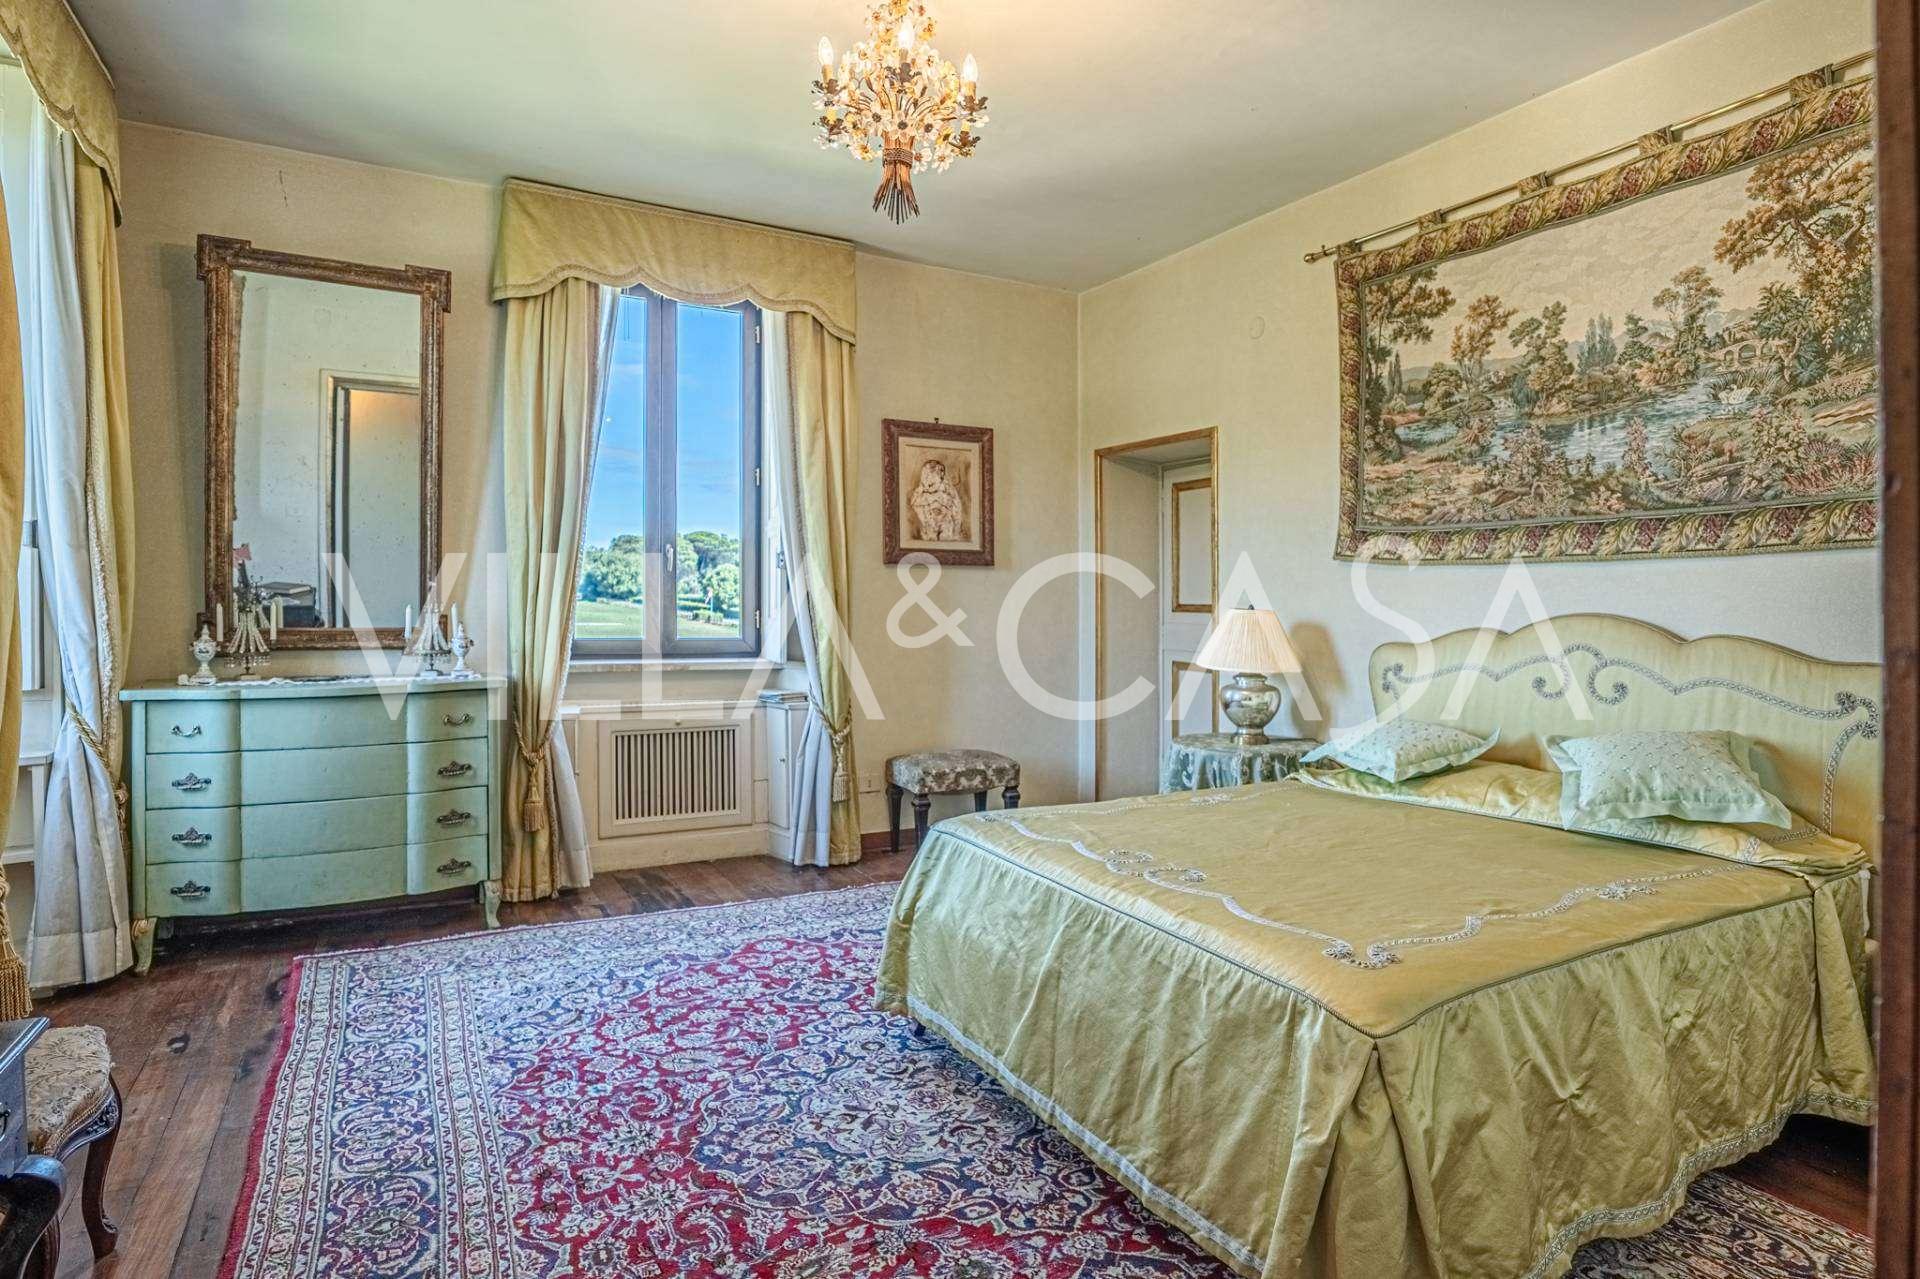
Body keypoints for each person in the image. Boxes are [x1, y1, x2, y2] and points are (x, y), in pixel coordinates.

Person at [909, 459, 966, 542]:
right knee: (930, 537)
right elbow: (914, 503)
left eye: (931, 475)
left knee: (946, 536)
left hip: (946, 522)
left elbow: (956, 508)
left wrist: (955, 526)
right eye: (925, 476)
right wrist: (930, 499)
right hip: (928, 522)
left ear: (941, 476)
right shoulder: (920, 490)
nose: (927, 479)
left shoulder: (947, 489)